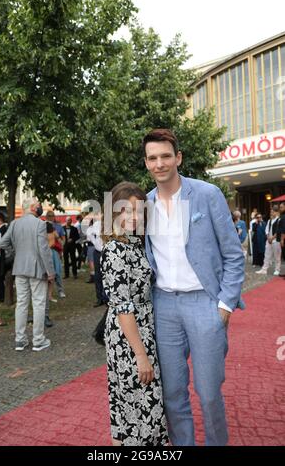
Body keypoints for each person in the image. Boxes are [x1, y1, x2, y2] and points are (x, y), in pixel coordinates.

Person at [143, 128, 245, 446]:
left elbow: (233, 253)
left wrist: (225, 306)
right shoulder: (143, 204)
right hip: (163, 305)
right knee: (173, 394)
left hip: (205, 303)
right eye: (152, 158)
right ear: (146, 163)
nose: (160, 164)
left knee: (209, 391)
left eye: (165, 156)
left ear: (178, 158)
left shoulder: (206, 193)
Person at [101, 182, 168, 447]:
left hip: (143, 332)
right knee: (140, 405)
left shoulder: (134, 244)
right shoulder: (115, 250)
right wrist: (141, 355)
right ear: (113, 213)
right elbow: (123, 306)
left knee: (137, 405)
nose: (134, 216)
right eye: (126, 211)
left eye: (139, 211)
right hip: (129, 339)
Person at [0, 198, 54, 351]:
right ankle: (38, 340)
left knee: (22, 304)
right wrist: (50, 271)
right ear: (31, 207)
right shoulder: (40, 224)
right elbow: (44, 250)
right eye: (38, 205)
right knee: (38, 303)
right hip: (37, 268)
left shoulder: (14, 223)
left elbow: (3, 243)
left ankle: (20, 340)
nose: (40, 207)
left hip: (19, 267)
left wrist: (16, 252)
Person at [256, 205, 281, 276]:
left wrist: (272, 238)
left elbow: (278, 231)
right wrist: (268, 237)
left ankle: (277, 269)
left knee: (277, 256)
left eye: (272, 212)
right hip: (269, 240)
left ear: (276, 212)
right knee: (266, 255)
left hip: (276, 240)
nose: (271, 213)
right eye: (271, 212)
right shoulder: (269, 220)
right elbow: (266, 230)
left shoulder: (279, 220)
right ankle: (264, 269)